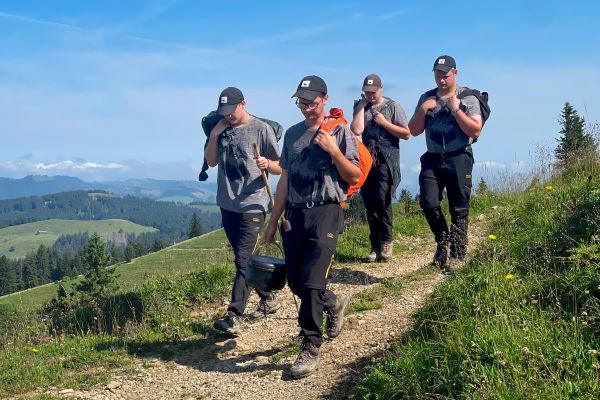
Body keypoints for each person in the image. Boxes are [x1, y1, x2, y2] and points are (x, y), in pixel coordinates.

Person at [263, 75, 360, 379]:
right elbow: (285, 180)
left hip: (327, 212)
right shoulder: (292, 135)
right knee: (295, 282)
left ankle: (310, 345)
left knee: (313, 280)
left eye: (311, 102)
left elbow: (354, 174)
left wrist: (333, 150)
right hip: (295, 214)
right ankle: (333, 303)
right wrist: (273, 220)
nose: (306, 108)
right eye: (301, 102)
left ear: (325, 99)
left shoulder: (339, 132)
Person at [205, 87, 283, 334]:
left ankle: (234, 314)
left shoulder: (261, 129)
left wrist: (268, 164)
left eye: (231, 111)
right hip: (227, 203)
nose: (228, 116)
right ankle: (268, 297)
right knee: (242, 259)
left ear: (243, 104)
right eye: (224, 112)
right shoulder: (220, 127)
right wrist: (215, 136)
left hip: (253, 204)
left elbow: (281, 166)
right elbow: (211, 161)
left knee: (244, 260)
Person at [408, 55, 483, 272]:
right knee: (428, 203)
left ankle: (458, 256)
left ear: (455, 73)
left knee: (459, 207)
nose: (441, 80)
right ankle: (443, 241)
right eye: (438, 75)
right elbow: (414, 131)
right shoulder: (427, 97)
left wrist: (456, 109)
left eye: (445, 76)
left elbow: (475, 130)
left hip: (459, 156)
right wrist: (423, 109)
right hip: (433, 157)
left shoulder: (467, 97)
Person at [350, 74, 410, 262]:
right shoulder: (362, 106)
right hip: (367, 160)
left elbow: (406, 133)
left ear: (381, 88)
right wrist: (360, 108)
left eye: (373, 92)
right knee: (369, 202)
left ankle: (387, 242)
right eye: (367, 92)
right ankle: (374, 245)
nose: (370, 95)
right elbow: (356, 131)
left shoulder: (393, 107)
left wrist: (384, 123)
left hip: (386, 159)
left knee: (382, 201)